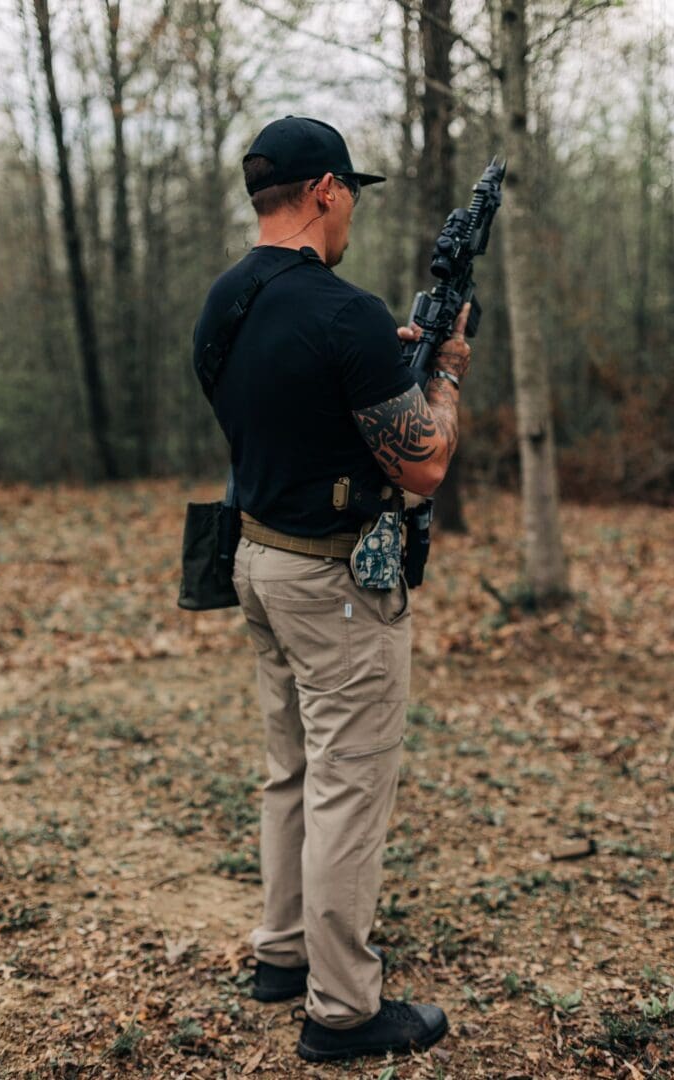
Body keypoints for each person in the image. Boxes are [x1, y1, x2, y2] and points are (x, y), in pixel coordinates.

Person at [192, 116, 470, 1064]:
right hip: (335, 584)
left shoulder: (224, 302)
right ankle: (344, 1009)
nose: (350, 208)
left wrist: (378, 369)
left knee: (293, 770)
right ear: (323, 191)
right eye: (350, 190)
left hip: (258, 564)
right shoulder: (346, 311)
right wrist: (445, 382)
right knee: (349, 788)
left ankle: (281, 954)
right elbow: (424, 464)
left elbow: (292, 411)